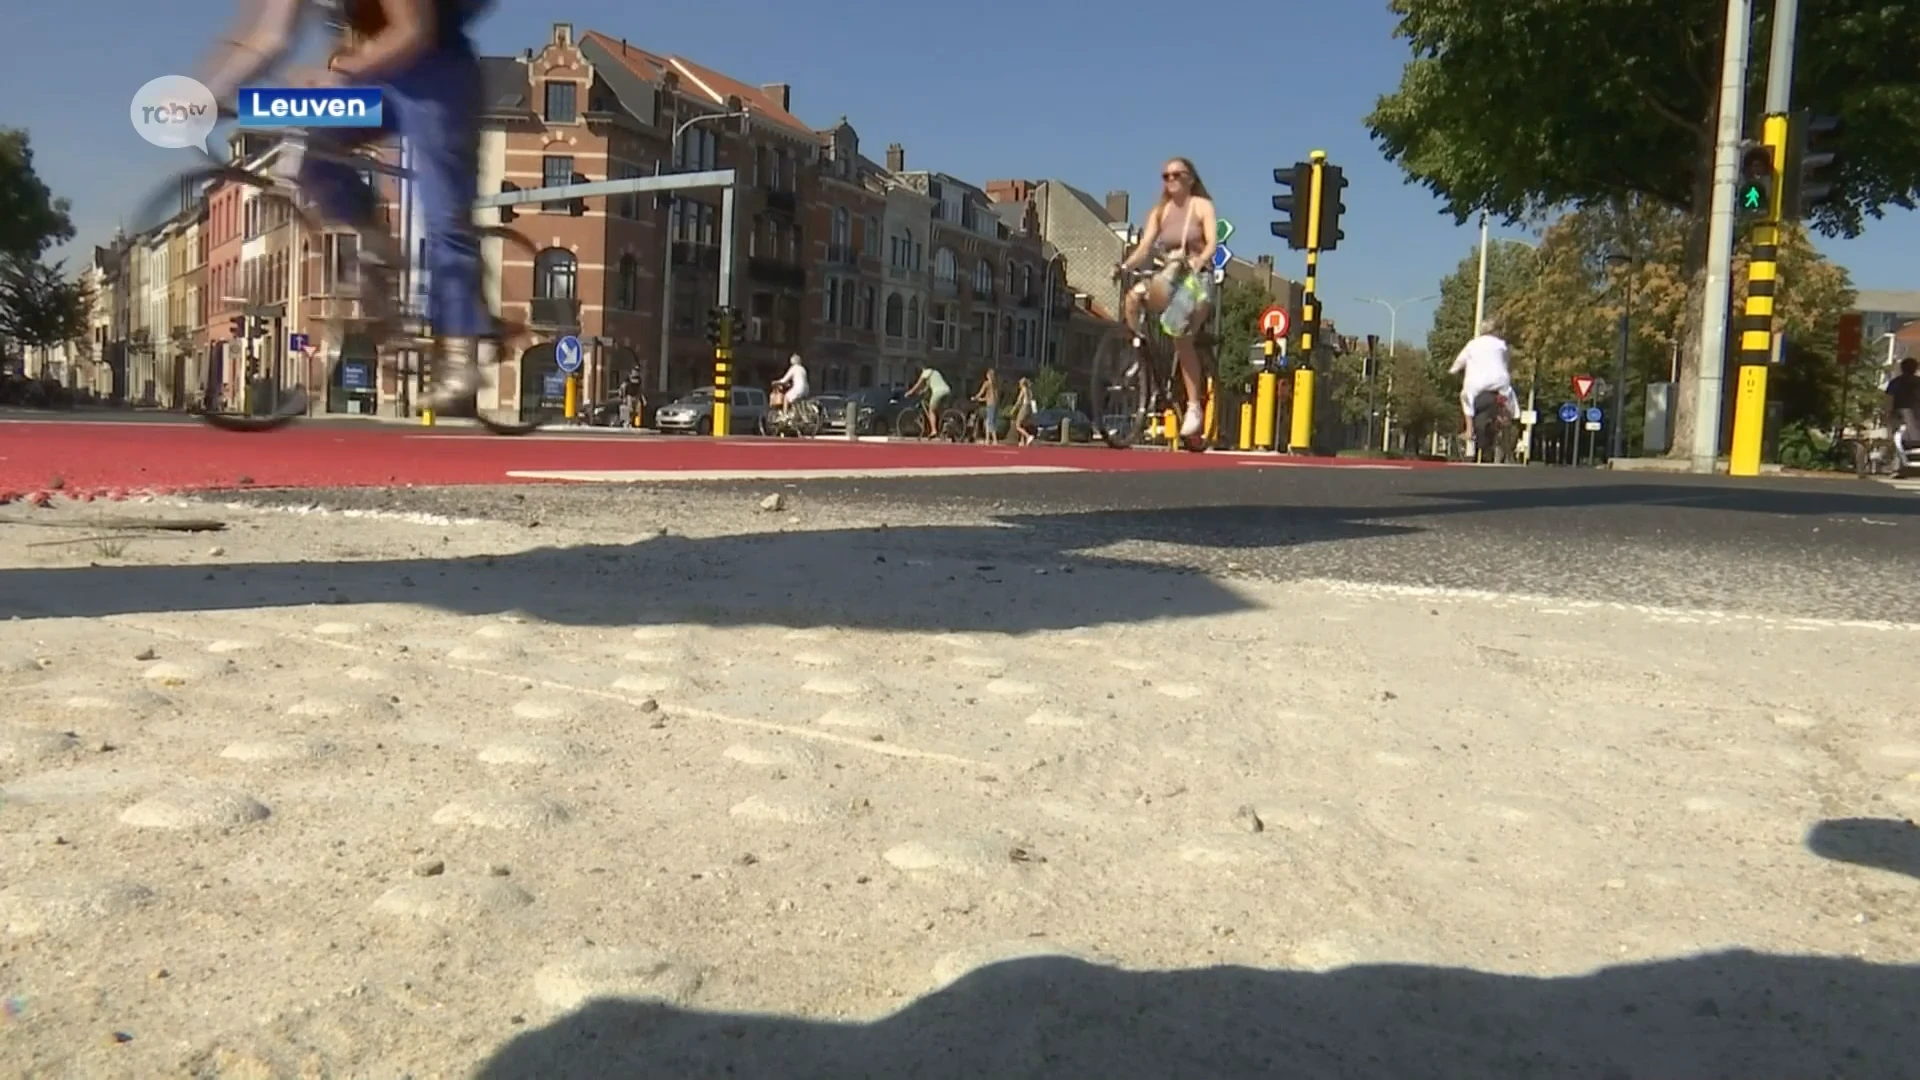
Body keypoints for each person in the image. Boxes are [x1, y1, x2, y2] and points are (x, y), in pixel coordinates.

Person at [198, 0, 492, 414]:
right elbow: (267, 37)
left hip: (438, 78)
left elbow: (414, 30)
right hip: (380, 79)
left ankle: (462, 357)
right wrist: (210, 94)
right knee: (309, 150)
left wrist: (338, 72)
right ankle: (376, 243)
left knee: (444, 214)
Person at [1113, 157, 1217, 439]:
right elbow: (1145, 246)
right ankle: (1139, 353)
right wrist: (1126, 266)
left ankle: (1194, 406)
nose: (1170, 180)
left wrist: (1199, 261)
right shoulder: (1159, 212)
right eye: (1165, 176)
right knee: (1134, 298)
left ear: (1190, 179)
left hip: (1196, 278)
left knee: (1179, 330)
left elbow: (1212, 244)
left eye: (1176, 175)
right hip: (1168, 274)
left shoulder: (1202, 207)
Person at [1449, 317, 1520, 444]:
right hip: (1500, 382)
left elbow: (1459, 361)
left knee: (1466, 398)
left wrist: (1452, 371)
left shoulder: (1472, 344)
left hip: (1477, 383)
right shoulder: (1501, 345)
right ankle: (1506, 418)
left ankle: (1469, 430)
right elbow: (1507, 361)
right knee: (1508, 396)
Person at [1886, 356, 1920, 469]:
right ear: (1916, 368)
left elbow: (1889, 401)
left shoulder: (1895, 383)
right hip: (1917, 418)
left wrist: (1887, 417)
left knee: (1897, 439)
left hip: (1900, 417)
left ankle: (1898, 464)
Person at [905, 364, 950, 439]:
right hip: (947, 390)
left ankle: (933, 430)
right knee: (939, 410)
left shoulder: (925, 373)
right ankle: (947, 424)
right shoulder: (935, 372)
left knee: (931, 410)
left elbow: (918, 385)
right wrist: (922, 392)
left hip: (938, 392)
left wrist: (910, 392)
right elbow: (927, 389)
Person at [973, 368, 1000, 444]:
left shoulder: (987, 383)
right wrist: (982, 399)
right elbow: (991, 396)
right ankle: (987, 439)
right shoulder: (995, 384)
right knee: (989, 421)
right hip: (995, 404)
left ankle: (995, 440)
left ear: (988, 375)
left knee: (990, 422)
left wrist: (975, 397)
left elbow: (981, 392)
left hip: (990, 404)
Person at [1009, 376, 1036, 447]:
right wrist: (1034, 411)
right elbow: (1033, 401)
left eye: (1020, 383)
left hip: (1024, 407)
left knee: (1017, 425)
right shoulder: (1030, 391)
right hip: (1029, 408)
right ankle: (1022, 441)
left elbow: (1019, 401)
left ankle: (1028, 436)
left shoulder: (1023, 390)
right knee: (1023, 424)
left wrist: (1013, 410)